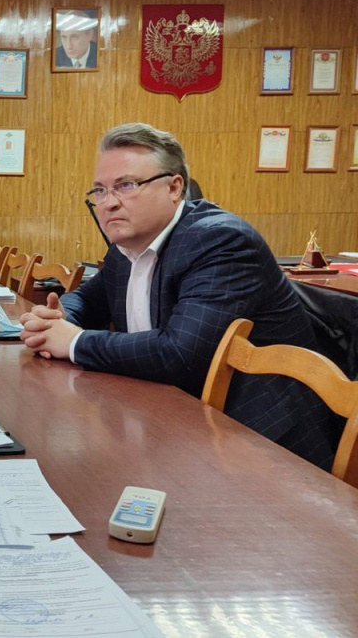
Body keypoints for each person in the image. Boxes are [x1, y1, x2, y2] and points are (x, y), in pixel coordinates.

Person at [19, 122, 340, 470]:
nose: (108, 203)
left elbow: (180, 354)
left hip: (263, 447)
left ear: (174, 187)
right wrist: (55, 319)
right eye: (100, 190)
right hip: (173, 423)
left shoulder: (219, 241)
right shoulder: (127, 247)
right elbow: (87, 299)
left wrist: (74, 342)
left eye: (126, 186)